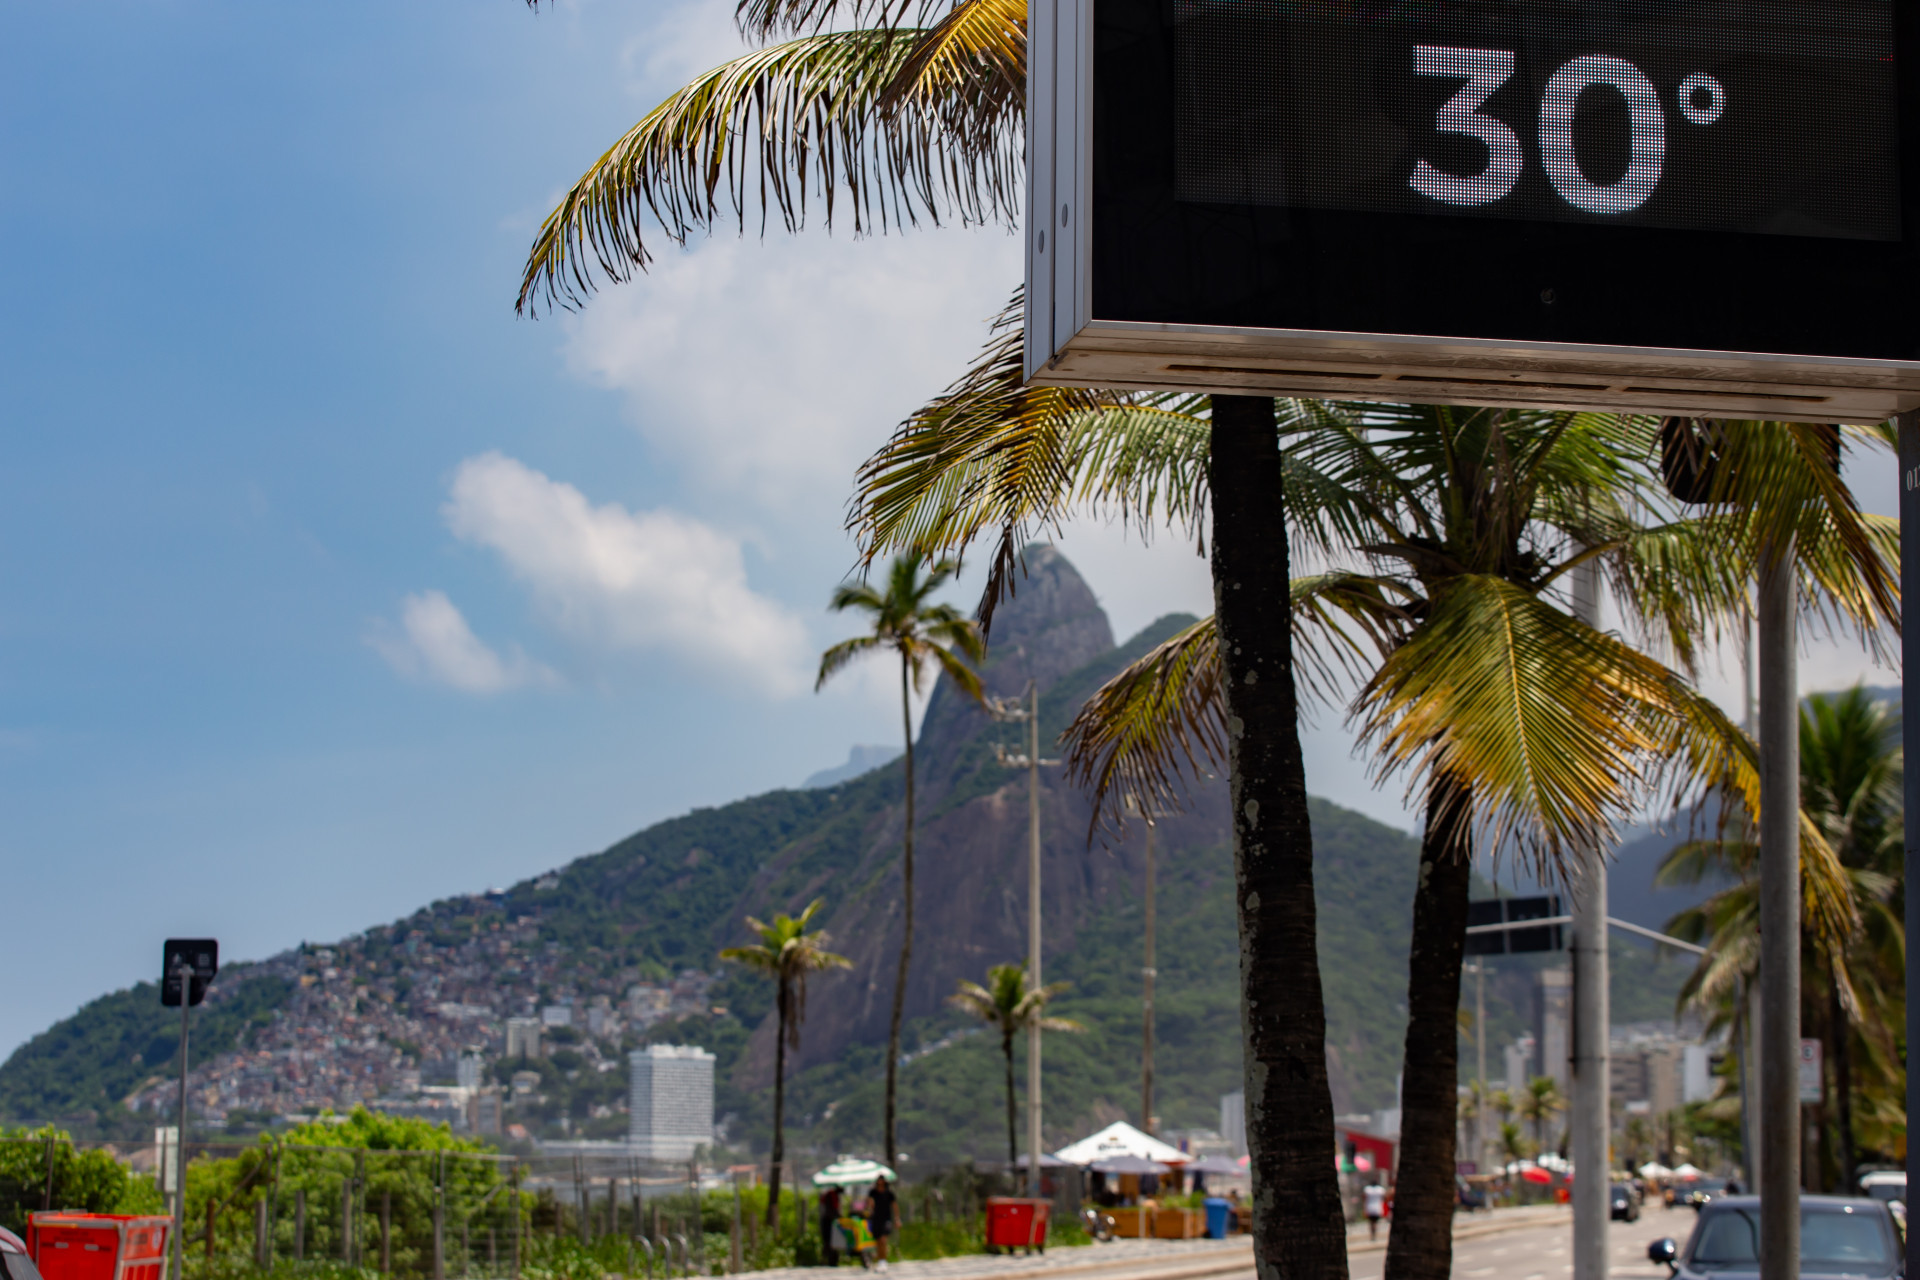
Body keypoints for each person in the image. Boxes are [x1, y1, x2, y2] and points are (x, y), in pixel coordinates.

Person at [868, 1176, 897, 1270]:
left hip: (886, 1219)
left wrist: (897, 1219)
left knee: (883, 1240)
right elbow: (869, 1204)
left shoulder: (889, 1193)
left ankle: (883, 1261)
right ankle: (880, 1260)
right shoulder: (873, 1192)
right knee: (878, 1241)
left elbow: (894, 1206)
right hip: (876, 1219)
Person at [819, 1185, 842, 1267]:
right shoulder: (830, 1195)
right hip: (828, 1222)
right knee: (828, 1242)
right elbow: (830, 1210)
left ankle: (832, 1260)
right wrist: (837, 1217)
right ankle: (825, 1260)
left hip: (831, 1221)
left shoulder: (835, 1195)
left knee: (833, 1242)